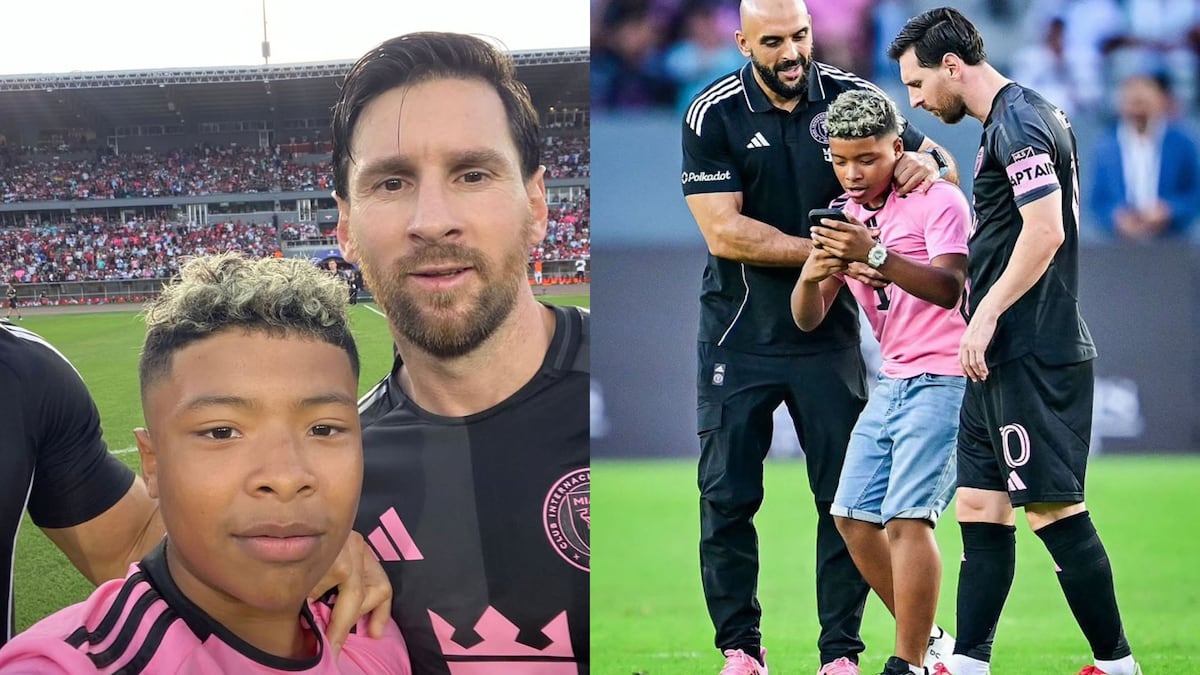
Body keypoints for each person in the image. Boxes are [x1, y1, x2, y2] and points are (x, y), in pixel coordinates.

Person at [679, 1, 959, 672]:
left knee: (843, 498)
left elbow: (935, 160)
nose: (791, 52)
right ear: (743, 41)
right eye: (773, 41)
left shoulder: (853, 99)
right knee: (726, 496)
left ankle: (841, 653)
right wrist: (835, 249)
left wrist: (933, 169)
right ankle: (741, 649)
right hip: (737, 333)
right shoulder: (710, 113)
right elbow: (723, 230)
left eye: (800, 36)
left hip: (828, 334)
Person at [0, 254, 411, 673]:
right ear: (152, 463)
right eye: (221, 432)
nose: (286, 477)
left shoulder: (374, 630)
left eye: (323, 429)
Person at [888, 8, 1142, 675]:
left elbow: (1046, 229)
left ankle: (1117, 663)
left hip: (1031, 344)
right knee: (979, 502)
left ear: (952, 66)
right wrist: (948, 181)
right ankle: (969, 661)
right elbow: (1009, 223)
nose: (915, 100)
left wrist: (986, 313)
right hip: (998, 353)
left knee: (1054, 508)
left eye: (917, 84)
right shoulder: (1009, 122)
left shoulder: (1018, 121)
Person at [331, 32, 589, 673]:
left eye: (472, 174)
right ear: (345, 230)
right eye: (391, 182)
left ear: (536, 206)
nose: (432, 219)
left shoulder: (650, 398)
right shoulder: (332, 485)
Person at [791, 88, 969, 675]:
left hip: (946, 376)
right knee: (851, 516)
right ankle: (934, 646)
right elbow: (809, 318)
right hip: (892, 381)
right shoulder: (844, 219)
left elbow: (950, 289)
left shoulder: (936, 199)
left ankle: (908, 664)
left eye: (866, 159)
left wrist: (876, 254)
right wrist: (814, 272)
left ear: (898, 147)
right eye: (840, 161)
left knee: (907, 517)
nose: (852, 173)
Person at [1090, 70, 1200, 241]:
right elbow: (1096, 201)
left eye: (1145, 93)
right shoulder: (1105, 146)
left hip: (1173, 243)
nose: (1137, 99)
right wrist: (1117, 218)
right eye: (1132, 96)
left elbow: (1194, 195)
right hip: (1119, 246)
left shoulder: (1183, 143)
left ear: (1162, 99)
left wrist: (1168, 210)